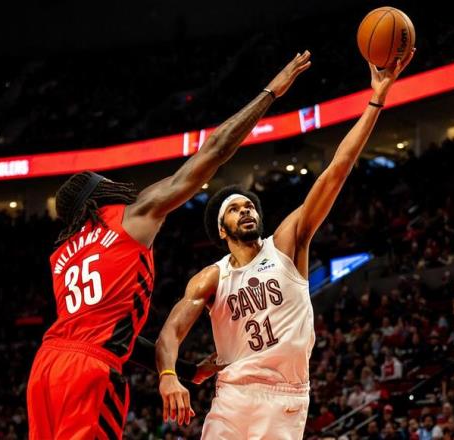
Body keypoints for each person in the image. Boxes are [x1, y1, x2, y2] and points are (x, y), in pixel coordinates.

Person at [26, 51, 312, 439]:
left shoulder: (62, 255)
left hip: (45, 369)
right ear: (99, 195)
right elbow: (213, 151)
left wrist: (188, 371)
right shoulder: (132, 216)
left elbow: (104, 331)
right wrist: (269, 93)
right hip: (89, 369)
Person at [155, 49, 415, 439]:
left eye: (249, 205)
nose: (246, 210)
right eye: (234, 209)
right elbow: (170, 333)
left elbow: (335, 171)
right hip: (232, 395)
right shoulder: (211, 278)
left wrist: (376, 99)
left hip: (284, 397)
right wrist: (169, 375)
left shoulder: (285, 245)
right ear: (222, 231)